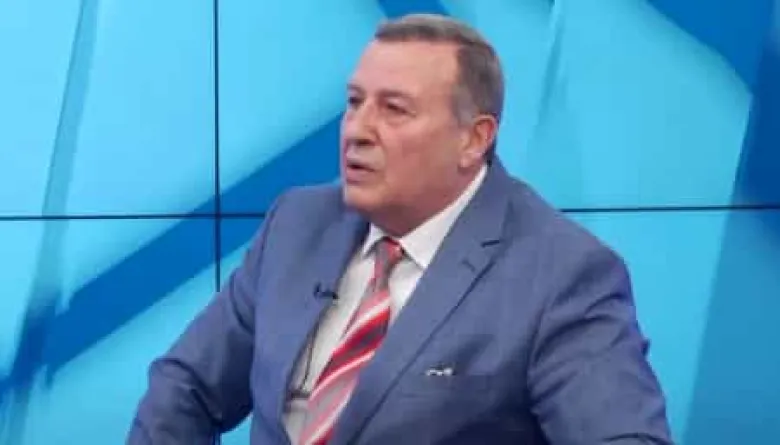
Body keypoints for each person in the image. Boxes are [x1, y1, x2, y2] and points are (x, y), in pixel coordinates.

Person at [127, 13, 672, 445]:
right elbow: (186, 386)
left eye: (394, 110)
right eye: (354, 102)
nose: (357, 130)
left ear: (474, 139)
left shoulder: (560, 274)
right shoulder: (296, 225)